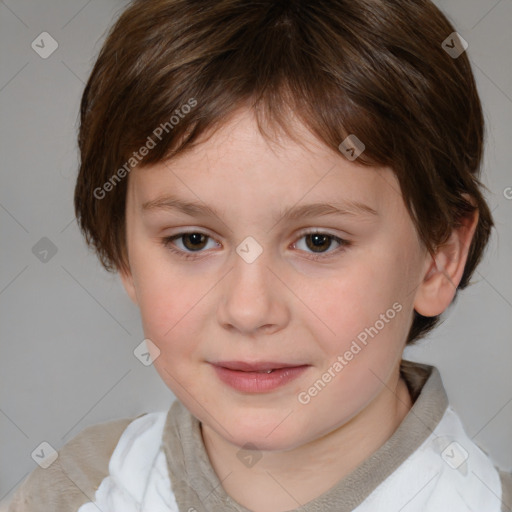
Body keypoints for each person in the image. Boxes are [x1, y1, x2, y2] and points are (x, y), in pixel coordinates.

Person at [8, 0, 511, 510]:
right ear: (124, 253)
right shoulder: (66, 494)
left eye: (319, 241)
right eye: (193, 240)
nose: (248, 311)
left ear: (439, 256)